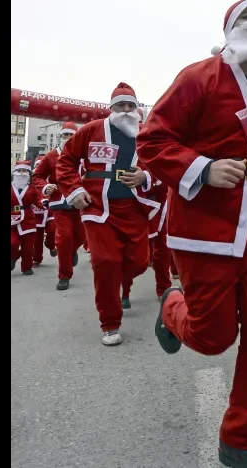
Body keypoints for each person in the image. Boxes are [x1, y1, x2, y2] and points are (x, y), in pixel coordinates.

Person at [137, 0, 247, 468]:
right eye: (246, 19)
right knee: (212, 338)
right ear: (229, 30)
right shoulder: (198, 77)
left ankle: (241, 440)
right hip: (205, 227)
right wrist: (202, 169)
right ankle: (173, 307)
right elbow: (152, 142)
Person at [57, 83, 160, 346]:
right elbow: (66, 161)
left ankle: (122, 283)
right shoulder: (92, 130)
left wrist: (146, 175)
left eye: (130, 105)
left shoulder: (146, 133)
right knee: (105, 262)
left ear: (136, 108)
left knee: (138, 262)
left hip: (134, 208)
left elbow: (162, 163)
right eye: (120, 106)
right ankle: (110, 323)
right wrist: (74, 190)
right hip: (97, 207)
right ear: (110, 108)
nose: (126, 110)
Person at [32, 122, 85, 290]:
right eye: (66, 135)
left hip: (81, 201)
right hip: (59, 202)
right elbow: (37, 176)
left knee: (82, 237)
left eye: (72, 135)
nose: (68, 138)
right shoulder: (51, 155)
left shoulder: (84, 155)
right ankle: (64, 275)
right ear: (60, 136)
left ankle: (71, 251)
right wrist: (45, 187)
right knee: (64, 239)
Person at [11, 161, 42, 275]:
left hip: (28, 219)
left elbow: (39, 200)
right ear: (14, 173)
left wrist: (44, 203)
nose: (21, 173)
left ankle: (27, 267)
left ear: (28, 173)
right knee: (12, 243)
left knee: (28, 246)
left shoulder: (32, 188)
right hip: (12, 219)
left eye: (24, 171)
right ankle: (13, 257)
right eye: (19, 171)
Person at [32, 155, 57, 266]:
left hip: (51, 210)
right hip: (37, 211)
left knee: (52, 230)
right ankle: (37, 258)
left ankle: (51, 246)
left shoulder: (51, 180)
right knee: (38, 237)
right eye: (37, 166)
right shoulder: (31, 181)